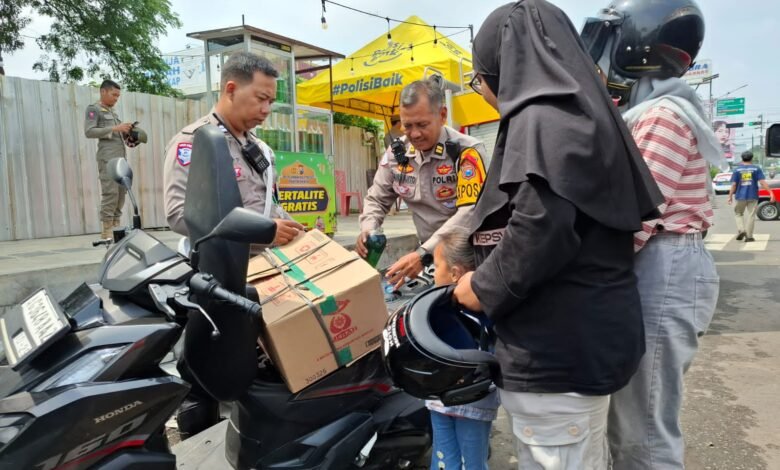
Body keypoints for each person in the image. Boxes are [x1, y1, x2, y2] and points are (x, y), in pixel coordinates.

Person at [452, 1, 664, 468]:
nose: (483, 89)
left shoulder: (544, 119)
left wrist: (480, 288)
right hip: (583, 341)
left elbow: (539, 229)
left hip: (555, 352)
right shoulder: (581, 113)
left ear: (503, 65)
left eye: (478, 77)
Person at [581, 0, 724, 467]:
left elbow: (636, 214)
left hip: (665, 264)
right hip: (663, 262)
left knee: (643, 426)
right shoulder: (660, 108)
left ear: (634, 46)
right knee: (634, 417)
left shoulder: (662, 115)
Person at [357, 79, 488, 289]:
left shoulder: (466, 151)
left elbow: (469, 213)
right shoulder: (396, 154)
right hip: (430, 256)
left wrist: (423, 254)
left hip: (468, 258)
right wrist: (368, 230)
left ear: (442, 115)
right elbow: (376, 199)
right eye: (407, 126)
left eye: (422, 125)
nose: (415, 134)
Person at [163, 52, 302, 246]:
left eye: (270, 102)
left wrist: (296, 230)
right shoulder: (194, 143)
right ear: (231, 90)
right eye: (261, 98)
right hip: (227, 266)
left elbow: (267, 206)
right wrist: (262, 231)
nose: (266, 110)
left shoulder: (261, 148)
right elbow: (179, 215)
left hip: (274, 260)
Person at [428, 229, 498, 470]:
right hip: (448, 400)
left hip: (468, 402)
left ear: (455, 273)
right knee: (453, 461)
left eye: (436, 267)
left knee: (462, 462)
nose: (433, 273)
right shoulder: (487, 306)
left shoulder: (441, 308)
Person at [85, 80, 135, 239]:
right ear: (103, 92)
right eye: (114, 95)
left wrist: (127, 130)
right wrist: (115, 128)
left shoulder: (113, 113)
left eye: (118, 96)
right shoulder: (94, 109)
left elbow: (117, 133)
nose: (116, 99)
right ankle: (107, 229)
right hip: (107, 159)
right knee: (110, 193)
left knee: (121, 192)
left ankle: (116, 227)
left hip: (120, 159)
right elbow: (89, 131)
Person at [728, 150, 775, 242]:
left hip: (740, 196)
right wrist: (771, 192)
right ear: (752, 158)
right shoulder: (756, 169)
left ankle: (741, 230)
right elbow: (762, 182)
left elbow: (734, 185)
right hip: (753, 196)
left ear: (742, 158)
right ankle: (749, 236)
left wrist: (729, 196)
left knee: (738, 214)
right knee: (751, 215)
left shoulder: (737, 170)